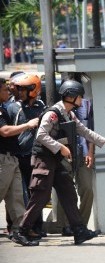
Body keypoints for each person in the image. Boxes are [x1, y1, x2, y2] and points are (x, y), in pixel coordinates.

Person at [11, 80, 105, 246]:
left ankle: (79, 230)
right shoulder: (53, 114)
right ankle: (21, 231)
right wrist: (61, 148)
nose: (81, 99)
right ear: (71, 97)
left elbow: (84, 131)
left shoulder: (68, 114)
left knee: (68, 192)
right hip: (44, 159)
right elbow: (41, 135)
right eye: (79, 96)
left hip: (55, 160)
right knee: (40, 196)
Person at [7, 73, 47, 239]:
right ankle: (15, 228)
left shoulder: (42, 108)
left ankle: (36, 227)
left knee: (35, 194)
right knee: (17, 194)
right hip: (18, 157)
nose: (20, 92)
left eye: (23, 89)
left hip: (37, 156)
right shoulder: (12, 108)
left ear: (33, 89)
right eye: (19, 89)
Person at [0, 78, 39, 241]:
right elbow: (5, 131)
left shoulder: (4, 108)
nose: (7, 92)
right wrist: (28, 125)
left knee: (16, 197)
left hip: (12, 158)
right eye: (3, 89)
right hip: (3, 159)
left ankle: (19, 231)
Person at [55, 93, 97, 236]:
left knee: (87, 189)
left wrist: (90, 152)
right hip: (67, 155)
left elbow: (89, 130)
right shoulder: (59, 108)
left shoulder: (87, 106)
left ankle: (80, 226)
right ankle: (66, 226)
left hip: (84, 154)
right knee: (66, 191)